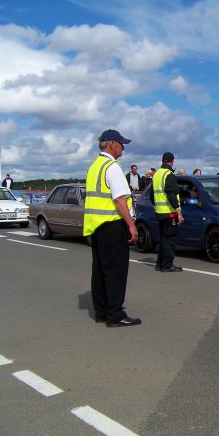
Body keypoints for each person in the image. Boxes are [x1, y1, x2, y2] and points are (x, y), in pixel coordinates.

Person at [83, 129, 140, 327]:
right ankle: (115, 314)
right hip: (112, 225)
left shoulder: (94, 167)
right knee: (116, 271)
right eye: (121, 143)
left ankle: (101, 312)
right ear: (112, 144)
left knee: (99, 271)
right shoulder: (112, 167)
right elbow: (120, 200)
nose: (123, 147)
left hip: (96, 226)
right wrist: (132, 226)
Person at [153, 152, 185, 272]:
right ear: (172, 161)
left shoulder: (157, 174)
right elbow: (171, 194)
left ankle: (160, 264)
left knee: (163, 239)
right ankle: (167, 265)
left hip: (159, 212)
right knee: (169, 240)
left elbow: (152, 195)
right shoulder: (169, 175)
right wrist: (178, 212)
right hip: (169, 212)